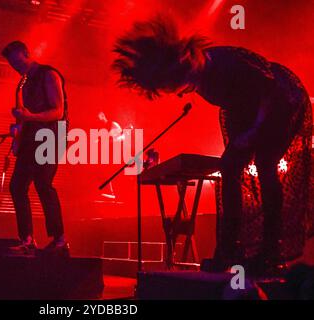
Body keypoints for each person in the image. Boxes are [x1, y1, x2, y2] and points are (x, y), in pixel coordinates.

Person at [112, 17, 312, 274]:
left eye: (176, 87)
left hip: (281, 101)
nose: (180, 94)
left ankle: (270, 250)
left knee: (265, 164)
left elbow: (269, 91)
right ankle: (230, 249)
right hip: (249, 110)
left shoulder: (224, 64)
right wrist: (245, 134)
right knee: (230, 167)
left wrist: (253, 132)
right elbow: (238, 104)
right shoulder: (200, 76)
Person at [1, 41, 69, 253]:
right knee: (17, 186)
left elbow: (58, 112)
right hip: (32, 137)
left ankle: (60, 239)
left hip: (52, 135)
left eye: (17, 60)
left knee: (43, 183)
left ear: (27, 54)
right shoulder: (23, 83)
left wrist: (29, 116)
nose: (15, 66)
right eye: (12, 63)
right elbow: (26, 117)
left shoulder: (48, 74)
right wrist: (17, 137)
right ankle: (27, 239)